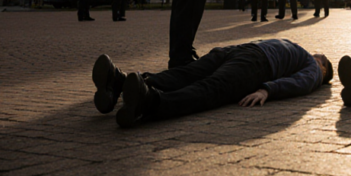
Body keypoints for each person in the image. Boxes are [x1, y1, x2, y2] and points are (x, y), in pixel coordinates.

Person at [91, 40, 333, 128]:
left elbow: (301, 82)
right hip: (250, 58)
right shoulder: (307, 62)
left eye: (321, 59)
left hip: (247, 56)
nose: (317, 56)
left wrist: (267, 89)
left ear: (324, 68)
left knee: (196, 80)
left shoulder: (315, 69)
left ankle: (132, 90)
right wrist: (266, 88)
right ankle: (136, 93)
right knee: (199, 82)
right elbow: (299, 81)